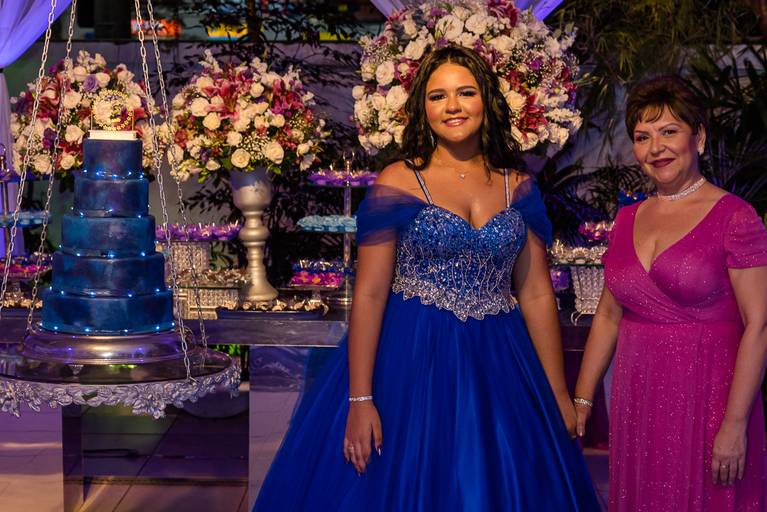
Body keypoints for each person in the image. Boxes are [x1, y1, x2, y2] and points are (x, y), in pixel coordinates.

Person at [254, 46, 599, 511]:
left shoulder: (517, 185)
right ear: (423, 107)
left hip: (501, 360)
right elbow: (370, 294)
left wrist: (557, 392)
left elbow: (536, 292)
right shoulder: (399, 180)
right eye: (438, 96)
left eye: (465, 93)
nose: (452, 106)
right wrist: (360, 398)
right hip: (413, 356)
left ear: (486, 100)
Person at [574, 75, 767, 511]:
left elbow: (759, 325)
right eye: (643, 137)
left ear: (698, 137)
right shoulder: (627, 218)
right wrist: (582, 399)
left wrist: (735, 424)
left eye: (668, 131)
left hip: (710, 399)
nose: (655, 148)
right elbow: (608, 316)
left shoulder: (736, 217)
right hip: (638, 397)